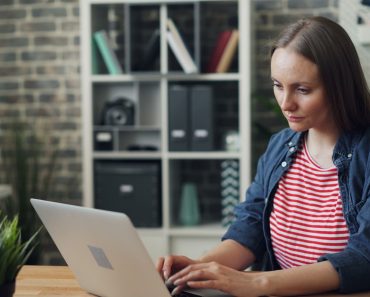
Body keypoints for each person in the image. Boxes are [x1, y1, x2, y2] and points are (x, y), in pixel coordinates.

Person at [157, 16, 370, 297]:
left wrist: (257, 283)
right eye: (278, 85)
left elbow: (364, 258)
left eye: (302, 89)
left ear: (339, 86)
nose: (285, 103)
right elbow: (251, 227)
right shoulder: (280, 146)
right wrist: (198, 267)